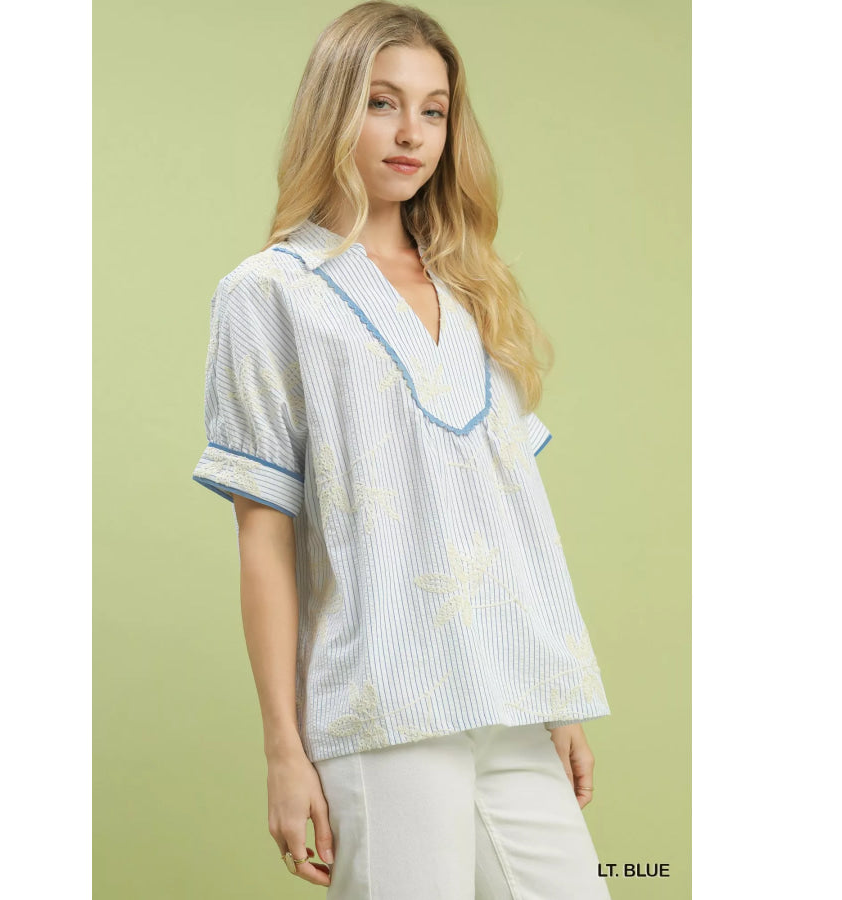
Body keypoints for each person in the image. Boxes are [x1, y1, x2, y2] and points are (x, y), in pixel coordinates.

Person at [191, 2, 612, 896]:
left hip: (513, 700)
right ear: (333, 110)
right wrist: (284, 750)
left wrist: (556, 691)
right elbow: (263, 535)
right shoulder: (269, 293)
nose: (412, 132)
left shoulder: (474, 288)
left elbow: (511, 513)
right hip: (383, 707)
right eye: (382, 102)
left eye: (434, 109)